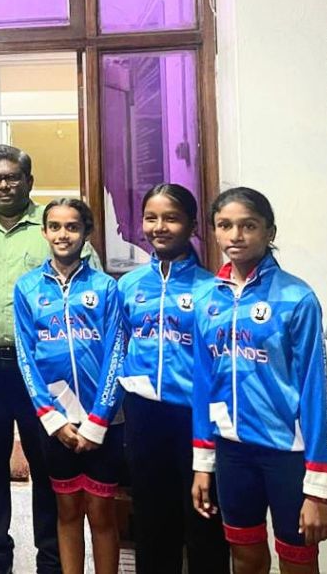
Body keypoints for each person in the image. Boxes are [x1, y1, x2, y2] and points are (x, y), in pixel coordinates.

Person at [0, 145, 103, 574]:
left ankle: (51, 560)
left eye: (12, 178)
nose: (3, 185)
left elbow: (90, 292)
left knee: (48, 462)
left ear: (29, 182)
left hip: (43, 369)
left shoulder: (54, 225)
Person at [190, 187, 327, 574]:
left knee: (298, 558)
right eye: (225, 225)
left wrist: (319, 486)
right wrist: (203, 462)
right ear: (214, 232)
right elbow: (203, 385)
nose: (235, 235)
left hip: (287, 453)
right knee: (245, 556)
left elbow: (315, 391)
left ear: (269, 232)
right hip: (232, 451)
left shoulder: (296, 297)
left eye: (248, 225)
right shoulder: (206, 299)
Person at [115, 184, 227, 573]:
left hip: (195, 418)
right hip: (144, 416)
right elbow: (119, 348)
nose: (159, 227)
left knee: (203, 522)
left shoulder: (212, 289)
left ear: (192, 226)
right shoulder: (128, 285)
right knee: (150, 520)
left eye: (171, 218)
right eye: (151, 218)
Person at [14, 198, 126, 574]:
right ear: (44, 232)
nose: (64, 234)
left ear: (86, 233)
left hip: (103, 421)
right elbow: (26, 358)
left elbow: (116, 354)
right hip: (57, 423)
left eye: (73, 227)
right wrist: (52, 418)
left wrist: (98, 421)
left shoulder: (106, 288)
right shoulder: (27, 288)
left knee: (101, 512)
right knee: (67, 511)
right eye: (56, 227)